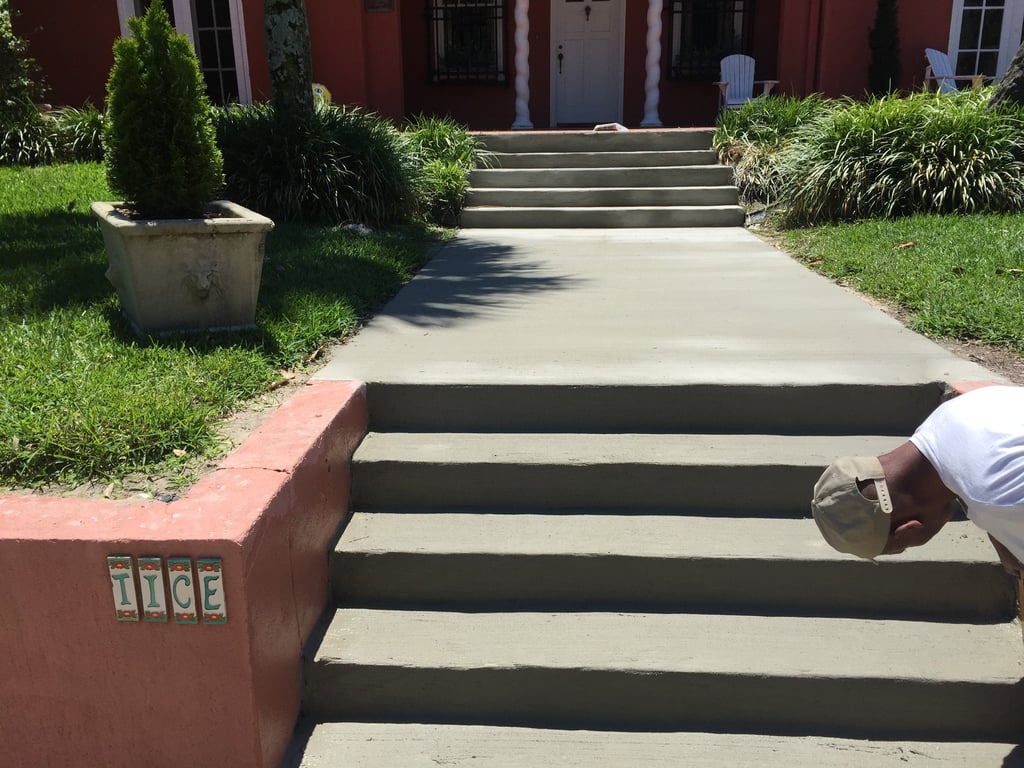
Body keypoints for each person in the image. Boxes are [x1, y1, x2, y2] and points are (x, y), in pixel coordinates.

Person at [811, 384, 1024, 572]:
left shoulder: (997, 502)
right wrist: (1004, 534)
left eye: (901, 547)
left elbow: (1000, 495)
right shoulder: (952, 413)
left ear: (908, 529)